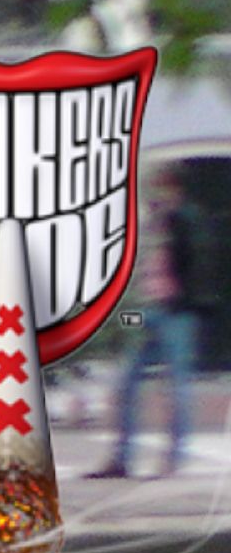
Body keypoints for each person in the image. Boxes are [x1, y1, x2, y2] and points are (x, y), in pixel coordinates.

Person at [94, 165, 209, 481]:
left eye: (160, 187)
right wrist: (126, 316)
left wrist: (182, 300)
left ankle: (173, 458)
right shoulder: (154, 221)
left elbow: (195, 262)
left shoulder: (184, 219)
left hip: (175, 313)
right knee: (128, 380)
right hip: (146, 310)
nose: (155, 194)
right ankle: (122, 457)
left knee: (176, 385)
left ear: (173, 187)